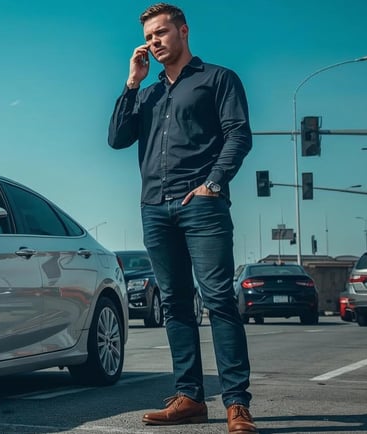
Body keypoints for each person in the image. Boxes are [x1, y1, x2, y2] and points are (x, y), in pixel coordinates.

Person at [107, 3, 256, 434]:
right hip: (154, 207)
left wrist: (213, 183)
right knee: (174, 304)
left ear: (183, 31)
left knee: (218, 300)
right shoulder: (149, 93)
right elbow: (117, 138)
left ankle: (236, 404)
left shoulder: (218, 79)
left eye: (161, 33)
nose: (154, 42)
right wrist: (131, 83)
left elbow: (238, 135)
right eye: (149, 36)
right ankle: (189, 397)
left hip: (201, 205)